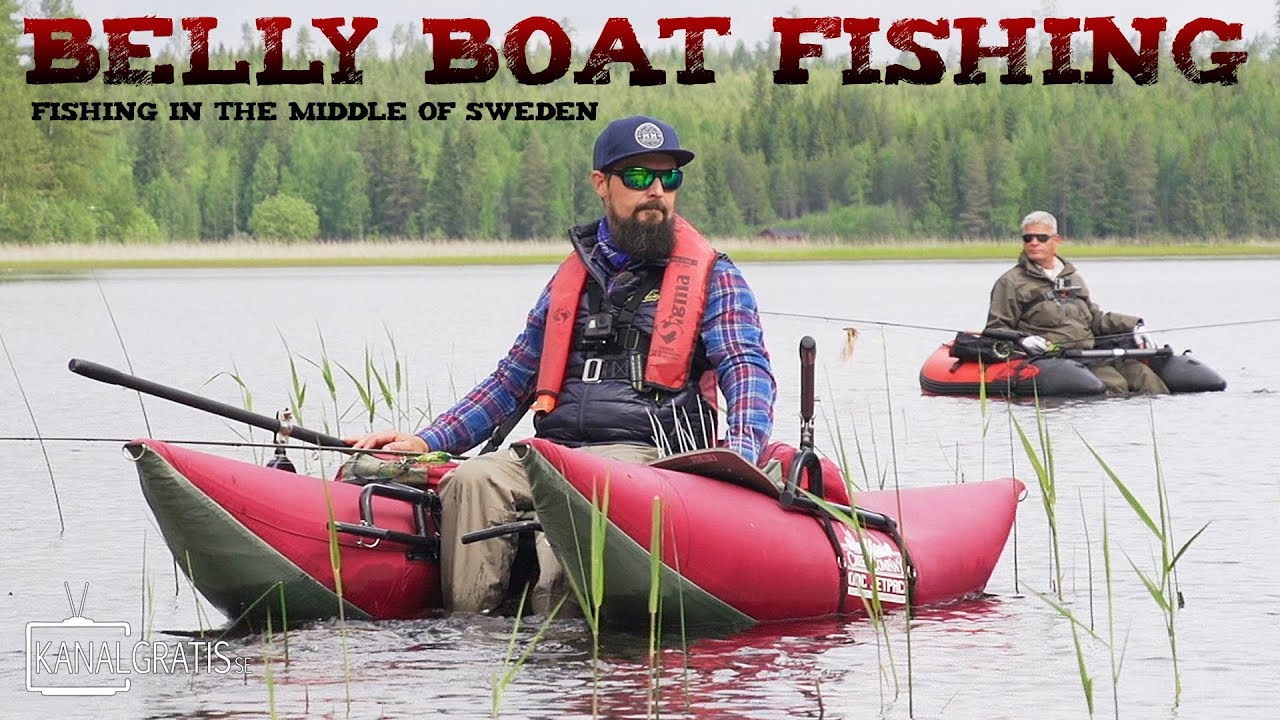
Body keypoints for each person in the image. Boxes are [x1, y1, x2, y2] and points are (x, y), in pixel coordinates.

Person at [350, 115, 777, 615]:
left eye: (668, 177)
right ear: (602, 184)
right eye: (638, 177)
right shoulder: (571, 278)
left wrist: (740, 460)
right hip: (554, 452)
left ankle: (562, 652)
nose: (656, 191)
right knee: (472, 480)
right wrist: (427, 441)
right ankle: (470, 643)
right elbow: (512, 380)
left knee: (573, 492)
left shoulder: (714, 275)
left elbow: (747, 370)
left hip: (647, 459)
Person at [985, 210, 1168, 395]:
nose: (1034, 243)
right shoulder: (1010, 282)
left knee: (1145, 378)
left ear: (1056, 240)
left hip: (1089, 354)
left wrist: (1134, 325)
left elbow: (1095, 319)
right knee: (1114, 383)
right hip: (1051, 360)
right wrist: (1023, 340)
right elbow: (997, 328)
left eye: (1041, 238)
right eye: (1028, 238)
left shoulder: (1073, 278)